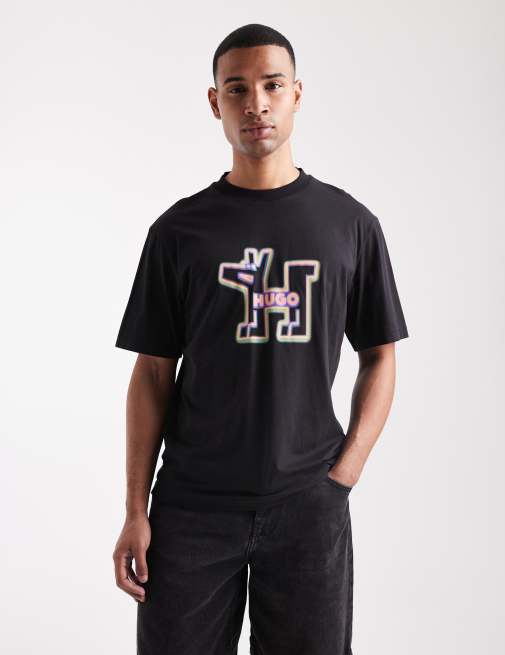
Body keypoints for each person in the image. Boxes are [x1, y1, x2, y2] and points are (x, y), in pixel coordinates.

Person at [112, 22, 409, 655]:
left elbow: (381, 354)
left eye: (272, 86)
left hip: (309, 504)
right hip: (191, 507)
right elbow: (152, 373)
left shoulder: (350, 224)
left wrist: (346, 471)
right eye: (237, 89)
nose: (256, 104)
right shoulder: (178, 232)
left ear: (297, 94)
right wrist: (136, 509)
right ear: (214, 101)